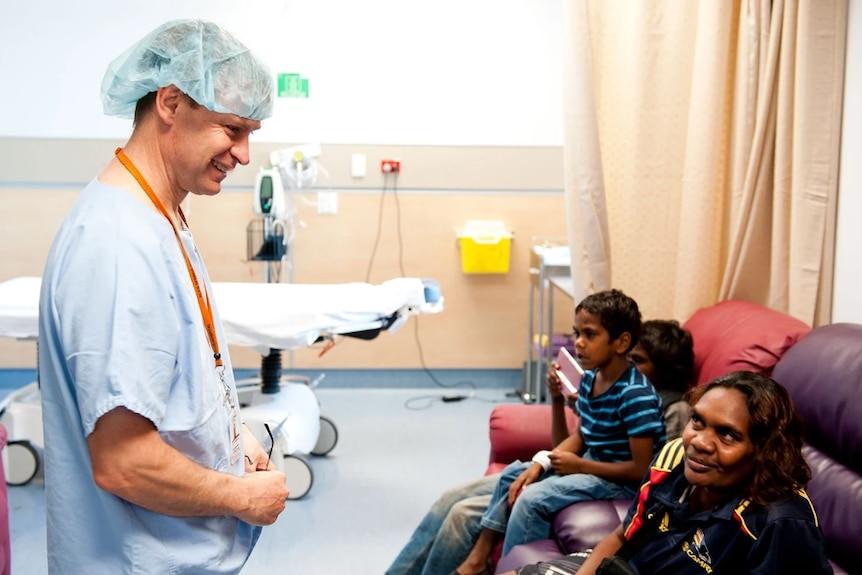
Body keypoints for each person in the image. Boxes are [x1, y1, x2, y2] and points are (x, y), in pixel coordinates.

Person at [37, 19, 288, 574]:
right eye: (233, 129)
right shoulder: (119, 245)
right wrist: (242, 498)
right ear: (171, 102)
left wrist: (233, 436)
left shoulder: (161, 213)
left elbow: (173, 378)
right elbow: (125, 462)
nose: (245, 154)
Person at [500, 371, 833, 575]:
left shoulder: (780, 523)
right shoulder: (674, 456)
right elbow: (622, 535)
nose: (699, 442)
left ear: (764, 450)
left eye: (727, 435)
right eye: (697, 422)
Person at [456, 289, 667, 575]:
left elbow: (642, 469)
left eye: (590, 335)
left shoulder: (635, 395)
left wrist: (580, 465)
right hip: (596, 465)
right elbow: (582, 437)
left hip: (623, 484)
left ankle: (509, 568)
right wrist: (540, 463)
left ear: (622, 342)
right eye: (576, 333)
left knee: (533, 500)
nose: (578, 343)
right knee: (513, 474)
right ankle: (479, 559)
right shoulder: (592, 377)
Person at [628, 319, 695, 440]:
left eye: (637, 360)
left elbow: (668, 457)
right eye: (627, 356)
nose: (627, 365)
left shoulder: (676, 410)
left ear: (664, 369)